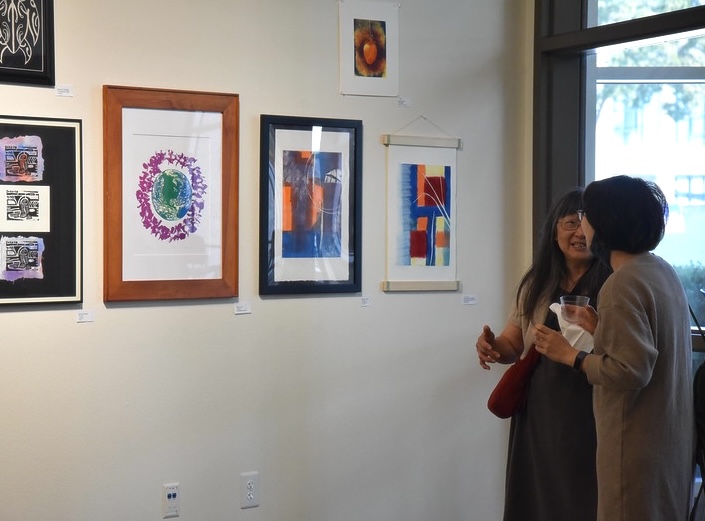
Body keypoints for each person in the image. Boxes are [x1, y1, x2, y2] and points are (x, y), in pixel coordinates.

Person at [534, 175, 695, 521]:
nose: (583, 226)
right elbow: (653, 345)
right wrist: (601, 326)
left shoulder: (621, 283)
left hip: (634, 444)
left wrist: (570, 355)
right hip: (668, 441)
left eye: (587, 216)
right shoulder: (660, 271)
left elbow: (630, 371)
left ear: (606, 225)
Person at [476, 188, 611, 521]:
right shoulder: (536, 282)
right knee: (536, 497)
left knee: (587, 498)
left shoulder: (613, 284)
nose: (580, 233)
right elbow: (514, 343)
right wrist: (494, 347)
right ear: (554, 231)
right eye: (570, 223)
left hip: (594, 409)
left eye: (587, 224)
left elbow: (623, 352)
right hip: (540, 414)